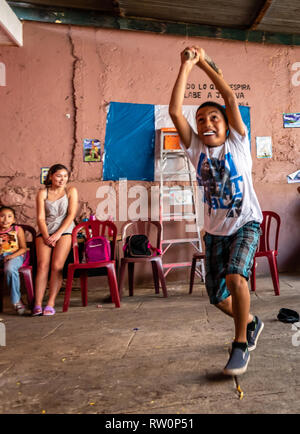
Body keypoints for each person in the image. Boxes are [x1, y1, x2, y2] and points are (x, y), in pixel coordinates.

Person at [169, 46, 264, 376]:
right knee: (217, 296)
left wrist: (203, 63)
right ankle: (251, 321)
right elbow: (175, 111)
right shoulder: (195, 149)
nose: (207, 123)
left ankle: (240, 344)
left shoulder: (237, 143)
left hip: (246, 223)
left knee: (236, 275)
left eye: (214, 118)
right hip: (214, 232)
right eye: (201, 120)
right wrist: (185, 67)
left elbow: (228, 95)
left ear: (226, 124)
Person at [33, 164, 78, 316]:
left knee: (57, 266)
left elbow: (71, 215)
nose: (62, 179)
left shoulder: (70, 190)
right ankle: (37, 304)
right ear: (51, 176)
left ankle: (50, 303)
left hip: (64, 231)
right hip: (46, 230)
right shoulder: (42, 192)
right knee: (42, 266)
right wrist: (46, 236)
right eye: (59, 176)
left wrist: (58, 234)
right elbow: (40, 218)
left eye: (65, 176)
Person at [0, 206, 27, 315]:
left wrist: (11, 256)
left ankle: (16, 301)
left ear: (14, 220)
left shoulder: (17, 230)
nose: (6, 219)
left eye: (9, 216)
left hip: (15, 255)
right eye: (2, 216)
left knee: (10, 269)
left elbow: (23, 248)